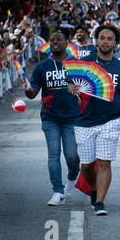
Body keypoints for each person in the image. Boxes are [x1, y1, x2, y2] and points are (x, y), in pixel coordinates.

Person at [68, 25, 120, 216]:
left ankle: (99, 202)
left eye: (110, 39)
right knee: (87, 165)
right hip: (83, 121)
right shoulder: (83, 64)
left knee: (104, 162)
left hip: (110, 120)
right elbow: (69, 82)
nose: (106, 41)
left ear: (115, 43)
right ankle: (94, 189)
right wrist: (71, 87)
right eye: (102, 38)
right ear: (96, 41)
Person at [24, 32, 80, 206]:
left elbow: (86, 86)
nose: (55, 43)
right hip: (50, 117)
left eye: (59, 40)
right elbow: (33, 91)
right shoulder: (42, 67)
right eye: (52, 40)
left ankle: (72, 178)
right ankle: (58, 191)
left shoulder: (75, 64)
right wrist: (29, 92)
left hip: (72, 117)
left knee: (72, 156)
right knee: (53, 155)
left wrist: (75, 87)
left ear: (66, 43)